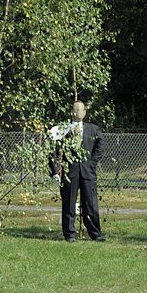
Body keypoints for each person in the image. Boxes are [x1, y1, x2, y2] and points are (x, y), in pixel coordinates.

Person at [48, 101, 104, 242]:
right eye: (75, 110)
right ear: (71, 112)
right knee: (68, 203)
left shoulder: (93, 130)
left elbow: (100, 146)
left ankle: (95, 234)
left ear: (85, 112)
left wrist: (91, 163)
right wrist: (55, 171)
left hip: (87, 172)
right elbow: (51, 151)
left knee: (90, 204)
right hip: (69, 172)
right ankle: (70, 234)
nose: (77, 112)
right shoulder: (62, 130)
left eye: (80, 110)